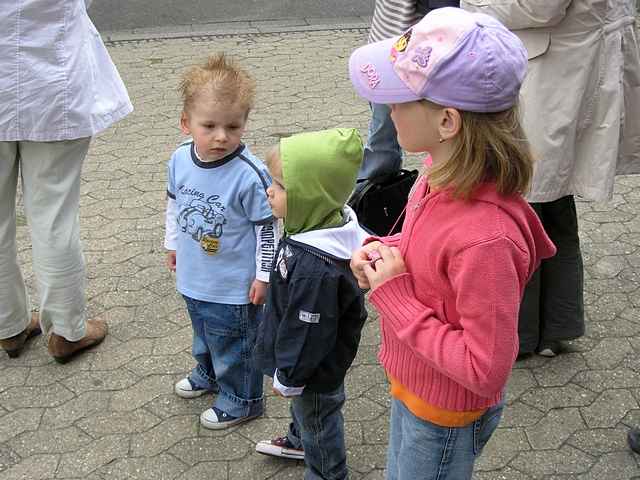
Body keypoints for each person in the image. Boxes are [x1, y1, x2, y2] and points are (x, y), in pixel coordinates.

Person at [348, 8, 557, 479]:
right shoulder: (439, 174)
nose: (387, 109)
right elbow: (427, 242)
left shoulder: (486, 240)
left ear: (447, 121)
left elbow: (485, 368)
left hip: (443, 414)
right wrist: (388, 247)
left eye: (400, 99)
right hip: (416, 385)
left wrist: (395, 296)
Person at [460, 0, 640, 357]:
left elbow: (539, 6)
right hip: (569, 66)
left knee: (520, 205)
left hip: (555, 72)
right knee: (550, 202)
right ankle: (556, 325)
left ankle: (519, 336)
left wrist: (473, 4)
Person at [0, 0, 132, 361]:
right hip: (50, 78)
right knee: (53, 214)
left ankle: (8, 325)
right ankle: (65, 331)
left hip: (45, 76)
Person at [164, 53, 276, 429]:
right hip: (195, 276)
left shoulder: (249, 175)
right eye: (209, 125)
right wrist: (173, 243)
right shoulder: (180, 159)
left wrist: (264, 276)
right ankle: (209, 373)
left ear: (245, 123)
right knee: (203, 331)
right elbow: (174, 203)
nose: (221, 136)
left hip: (234, 286)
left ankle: (244, 398)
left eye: (233, 126)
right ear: (186, 123)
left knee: (236, 343)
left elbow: (266, 230)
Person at [254, 128, 368, 480]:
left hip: (313, 370)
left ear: (310, 196)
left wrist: (289, 375)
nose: (269, 191)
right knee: (309, 414)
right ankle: (298, 437)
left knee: (318, 416)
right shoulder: (318, 219)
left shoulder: (313, 269)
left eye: (280, 186)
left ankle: (327, 472)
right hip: (312, 358)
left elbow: (307, 333)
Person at [360, 0, 460, 182]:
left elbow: (445, 15)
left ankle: (372, 195)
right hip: (385, 47)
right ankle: (374, 196)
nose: (394, 108)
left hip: (413, 59)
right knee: (383, 135)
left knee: (383, 137)